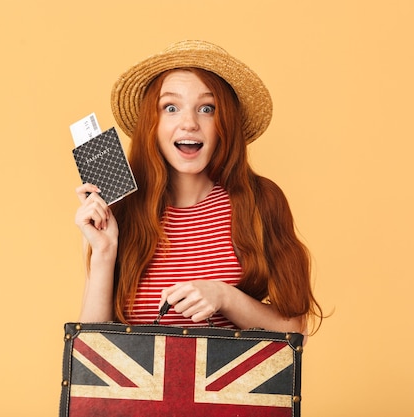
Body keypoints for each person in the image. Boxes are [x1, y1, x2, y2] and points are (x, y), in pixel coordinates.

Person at [74, 40, 322, 334]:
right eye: (171, 107)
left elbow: (296, 332)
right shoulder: (119, 213)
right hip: (138, 382)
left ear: (224, 124)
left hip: (230, 382)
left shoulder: (260, 201)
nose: (189, 123)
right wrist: (103, 252)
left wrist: (225, 296)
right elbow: (90, 350)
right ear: (152, 124)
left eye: (207, 108)